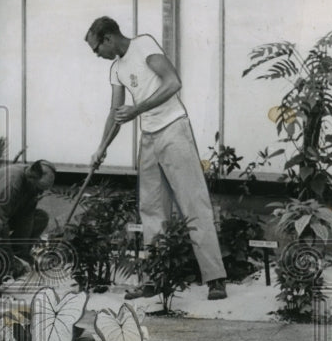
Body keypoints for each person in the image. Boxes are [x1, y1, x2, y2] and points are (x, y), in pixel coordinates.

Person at [84, 16, 227, 301]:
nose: (96, 55)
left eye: (96, 48)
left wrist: (138, 110)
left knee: (192, 201)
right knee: (151, 210)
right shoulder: (116, 69)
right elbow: (116, 113)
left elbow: (174, 82)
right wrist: (101, 147)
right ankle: (153, 280)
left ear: (108, 38)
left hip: (174, 129)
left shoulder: (144, 45)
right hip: (148, 138)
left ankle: (215, 279)